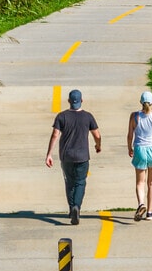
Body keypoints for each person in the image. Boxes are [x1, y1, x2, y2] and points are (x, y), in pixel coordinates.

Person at [46, 89, 101, 225]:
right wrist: (98, 146)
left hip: (66, 156)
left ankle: (71, 209)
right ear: (81, 100)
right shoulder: (88, 117)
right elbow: (97, 135)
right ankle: (77, 206)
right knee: (80, 182)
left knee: (69, 182)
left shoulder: (61, 116)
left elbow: (55, 135)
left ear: (69, 101)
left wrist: (49, 154)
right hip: (82, 156)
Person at [127, 91, 152, 221]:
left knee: (140, 182)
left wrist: (129, 148)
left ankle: (141, 204)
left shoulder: (134, 117)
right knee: (151, 183)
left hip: (140, 150)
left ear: (141, 102)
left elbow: (130, 135)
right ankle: (149, 212)